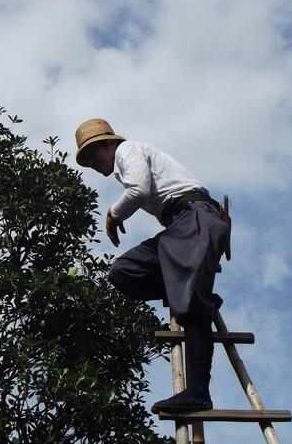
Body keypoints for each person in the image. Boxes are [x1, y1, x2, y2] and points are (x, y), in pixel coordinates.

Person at [74, 118, 230, 412]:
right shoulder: (125, 160)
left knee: (190, 304)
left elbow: (139, 191)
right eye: (86, 159)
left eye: (93, 152)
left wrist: (113, 214)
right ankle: (197, 296)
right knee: (123, 271)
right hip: (180, 225)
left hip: (195, 217)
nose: (92, 162)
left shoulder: (128, 149)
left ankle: (197, 391)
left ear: (110, 143)